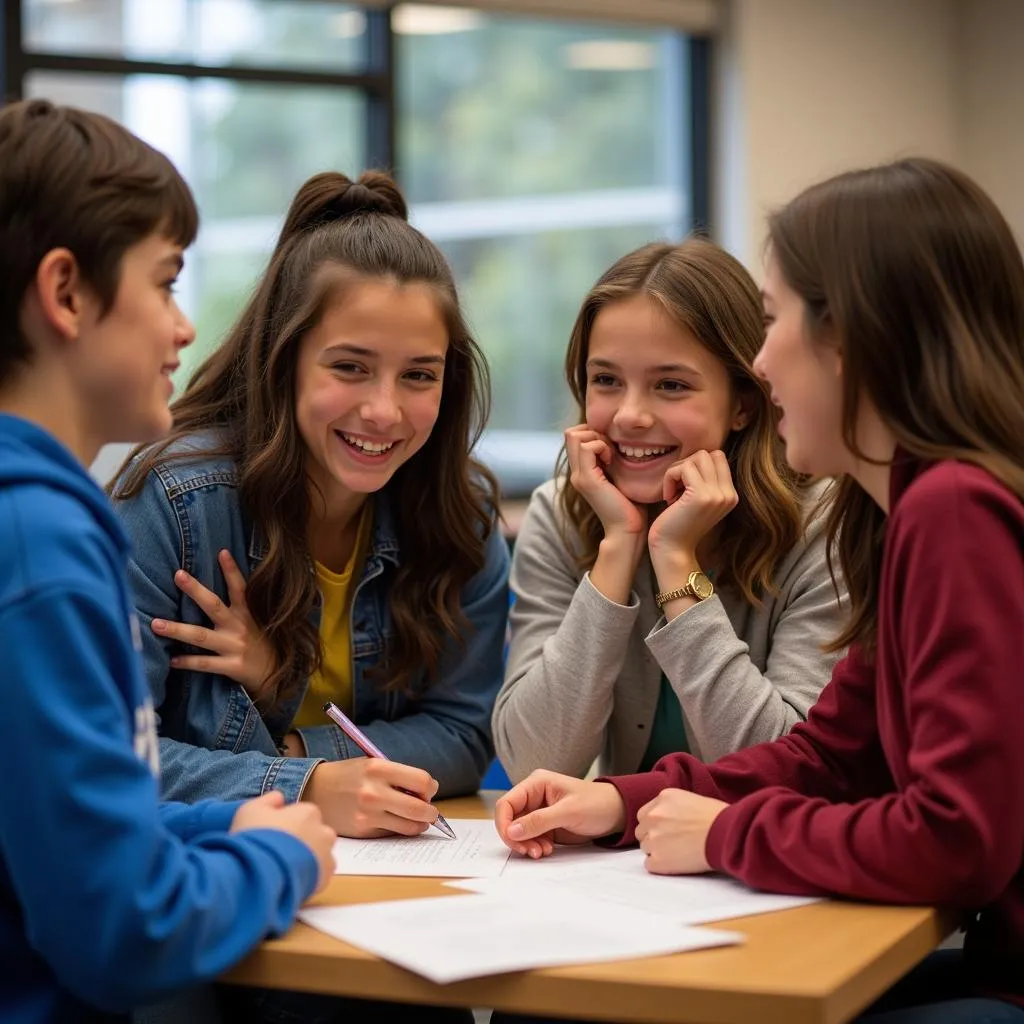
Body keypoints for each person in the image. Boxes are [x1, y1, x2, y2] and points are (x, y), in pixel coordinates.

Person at [494, 158, 1024, 1022]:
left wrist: (725, 834)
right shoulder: (904, 509)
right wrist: (619, 801)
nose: (763, 360)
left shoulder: (952, 509)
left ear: (854, 338)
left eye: (774, 323)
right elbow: (830, 758)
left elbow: (959, 841)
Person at [0, 97, 336, 1023]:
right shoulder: (38, 547)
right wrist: (280, 857)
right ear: (66, 293)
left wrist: (225, 821)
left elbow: (66, 827)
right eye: (166, 282)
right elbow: (123, 926)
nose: (186, 330)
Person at [109, 169, 508, 849]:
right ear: (283, 361)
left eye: (419, 374)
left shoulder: (459, 514)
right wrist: (312, 788)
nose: (383, 411)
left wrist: (297, 750)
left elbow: (462, 733)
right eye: (349, 367)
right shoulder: (176, 503)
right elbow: (117, 757)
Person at [492, 239, 844, 783]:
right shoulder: (561, 515)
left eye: (671, 385)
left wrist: (676, 561)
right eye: (606, 380)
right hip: (624, 855)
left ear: (743, 404)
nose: (630, 416)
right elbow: (532, 762)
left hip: (751, 857)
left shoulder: (821, 527)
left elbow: (783, 774)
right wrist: (616, 551)